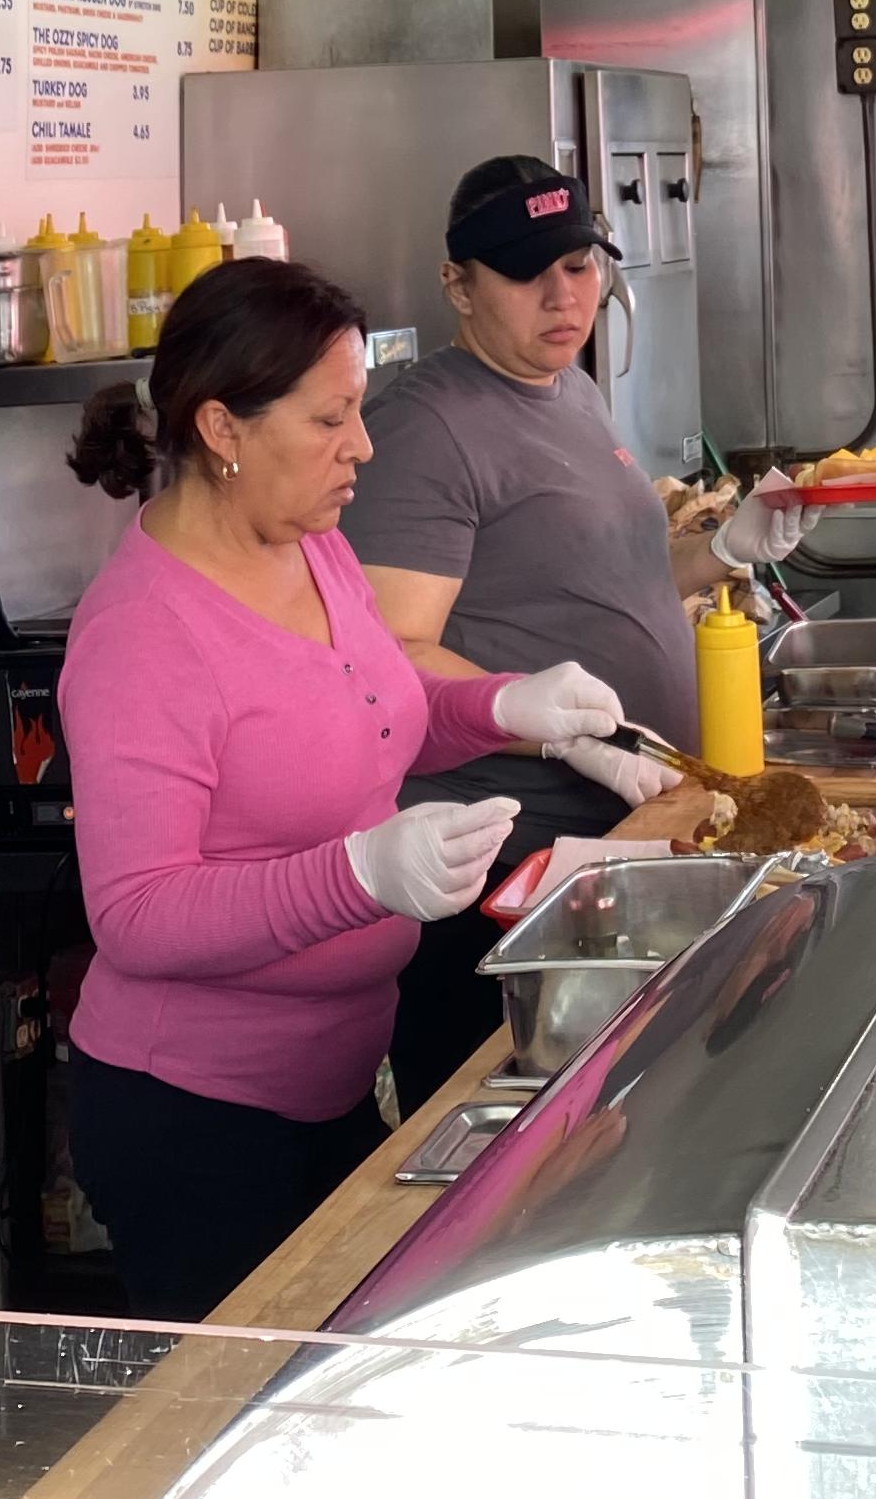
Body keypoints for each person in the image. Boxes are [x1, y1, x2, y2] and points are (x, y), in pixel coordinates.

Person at [56, 255, 639, 1319]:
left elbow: (372, 704)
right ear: (223, 429)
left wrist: (508, 708)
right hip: (194, 1122)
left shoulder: (311, 546)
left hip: (333, 1088)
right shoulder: (142, 635)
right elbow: (136, 913)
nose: (362, 446)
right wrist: (359, 876)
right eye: (331, 420)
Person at [345, 152, 811, 1101]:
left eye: (579, 265)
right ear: (458, 285)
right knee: (511, 1133)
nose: (564, 297)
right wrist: (557, 737)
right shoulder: (427, 429)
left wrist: (725, 550)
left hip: (615, 839)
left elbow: (604, 582)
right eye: (527, 273)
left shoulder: (572, 390)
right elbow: (389, 660)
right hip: (508, 865)